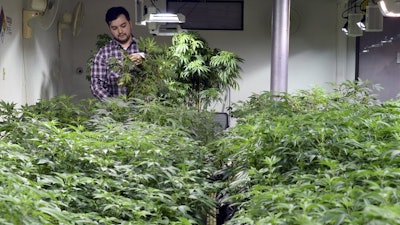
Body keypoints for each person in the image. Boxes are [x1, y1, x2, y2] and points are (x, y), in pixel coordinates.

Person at [90, 6, 145, 101]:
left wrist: (145, 60)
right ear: (110, 28)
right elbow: (96, 86)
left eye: (123, 26)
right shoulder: (104, 53)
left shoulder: (144, 48)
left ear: (130, 24)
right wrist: (115, 105)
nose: (120, 31)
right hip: (115, 113)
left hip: (144, 111)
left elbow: (158, 74)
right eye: (114, 28)